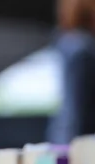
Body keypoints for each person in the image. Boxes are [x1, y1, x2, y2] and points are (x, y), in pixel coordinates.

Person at [48, 0, 95, 144]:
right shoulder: (80, 50)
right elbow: (73, 111)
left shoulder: (70, 45)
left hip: (69, 140)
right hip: (78, 143)